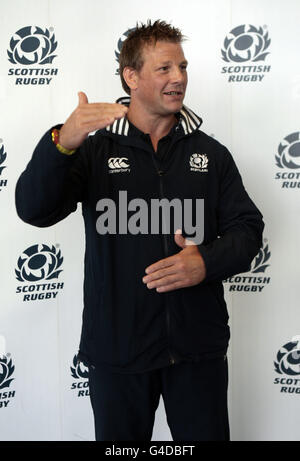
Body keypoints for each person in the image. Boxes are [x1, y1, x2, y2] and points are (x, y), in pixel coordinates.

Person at [15, 20, 264, 441]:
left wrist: (206, 261)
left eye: (183, 67)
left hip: (196, 352)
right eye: (165, 68)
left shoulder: (210, 153)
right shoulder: (93, 149)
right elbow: (33, 209)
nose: (179, 78)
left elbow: (248, 227)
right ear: (131, 75)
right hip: (117, 352)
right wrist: (62, 142)